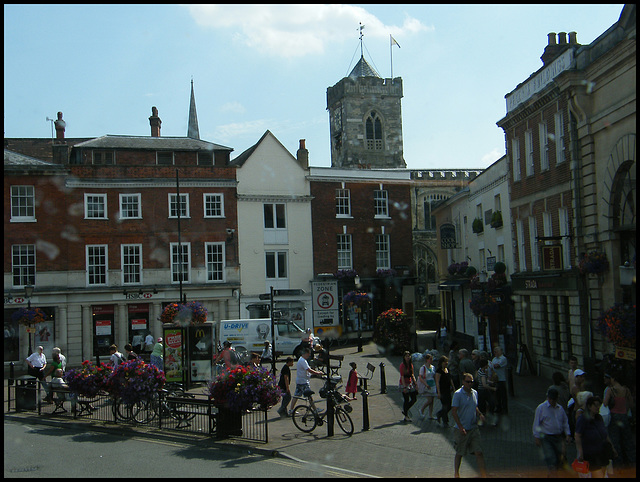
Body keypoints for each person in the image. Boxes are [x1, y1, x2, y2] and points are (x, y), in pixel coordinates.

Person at [451, 373, 487, 478]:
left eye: (471, 382)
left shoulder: (475, 393)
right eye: (467, 381)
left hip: (473, 428)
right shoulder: (458, 394)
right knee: (460, 452)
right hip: (461, 429)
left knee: (479, 452)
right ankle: (456, 473)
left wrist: (480, 414)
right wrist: (460, 426)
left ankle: (483, 475)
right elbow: (454, 411)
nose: (470, 384)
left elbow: (474, 406)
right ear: (463, 382)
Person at [532, 387, 572, 477]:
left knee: (559, 459)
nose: (552, 401)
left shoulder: (560, 409)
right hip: (546, 438)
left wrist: (568, 434)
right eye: (550, 399)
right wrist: (536, 437)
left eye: (554, 399)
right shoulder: (541, 408)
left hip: (558, 437)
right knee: (551, 459)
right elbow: (536, 423)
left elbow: (565, 422)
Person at [575, 396, 617, 478]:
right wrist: (580, 452)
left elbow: (605, 433)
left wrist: (612, 447)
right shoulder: (583, 419)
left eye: (599, 405)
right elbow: (577, 435)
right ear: (590, 406)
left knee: (603, 471)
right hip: (590, 452)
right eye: (596, 405)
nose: (598, 408)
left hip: (602, 451)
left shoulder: (599, 418)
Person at [603, 373, 635, 473]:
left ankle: (618, 465)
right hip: (624, 416)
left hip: (614, 417)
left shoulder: (610, 390)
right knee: (627, 440)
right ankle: (631, 463)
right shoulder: (626, 390)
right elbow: (631, 404)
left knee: (615, 441)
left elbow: (605, 403)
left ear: (614, 379)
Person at [289, 347, 323, 415]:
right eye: (309, 354)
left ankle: (291, 410)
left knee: (297, 395)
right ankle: (315, 410)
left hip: (300, 380)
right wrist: (317, 373)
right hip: (303, 381)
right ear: (306, 353)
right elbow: (309, 369)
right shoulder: (303, 361)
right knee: (309, 395)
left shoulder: (301, 360)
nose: (309, 355)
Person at [435, 355, 455, 428]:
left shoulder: (447, 370)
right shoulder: (439, 371)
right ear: (441, 362)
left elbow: (450, 379)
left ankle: (439, 414)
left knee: (449, 405)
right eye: (445, 362)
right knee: (445, 406)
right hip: (442, 390)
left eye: (447, 361)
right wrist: (438, 392)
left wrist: (453, 387)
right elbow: (437, 382)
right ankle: (445, 421)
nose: (446, 363)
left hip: (448, 390)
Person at [417, 352, 437, 420]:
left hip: (432, 385)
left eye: (432, 359)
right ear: (427, 360)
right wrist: (426, 384)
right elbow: (420, 377)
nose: (431, 360)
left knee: (432, 401)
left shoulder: (433, 367)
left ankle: (430, 414)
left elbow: (434, 376)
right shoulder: (423, 368)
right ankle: (422, 409)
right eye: (430, 359)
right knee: (429, 400)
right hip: (427, 385)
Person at [399, 351, 418, 422]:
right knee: (406, 399)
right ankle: (406, 415)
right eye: (406, 356)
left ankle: (405, 410)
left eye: (409, 356)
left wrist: (415, 384)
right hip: (404, 383)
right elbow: (402, 376)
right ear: (404, 357)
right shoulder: (402, 365)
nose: (408, 357)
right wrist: (404, 387)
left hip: (410, 383)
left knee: (414, 399)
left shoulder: (411, 365)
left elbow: (412, 375)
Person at [491, 346, 508, 416]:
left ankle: (505, 409)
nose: (495, 353)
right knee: (497, 395)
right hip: (495, 380)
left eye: (496, 351)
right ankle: (499, 407)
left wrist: (493, 365)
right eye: (494, 352)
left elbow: (496, 366)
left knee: (503, 395)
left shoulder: (503, 359)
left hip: (501, 379)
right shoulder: (494, 359)